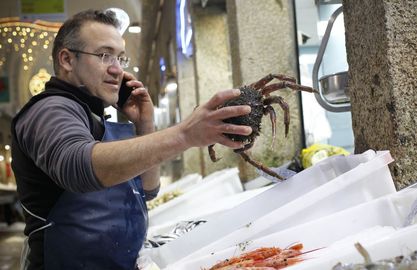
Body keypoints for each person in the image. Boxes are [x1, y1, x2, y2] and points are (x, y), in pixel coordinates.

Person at [11, 9, 252, 270]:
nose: (117, 69)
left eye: (120, 58)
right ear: (67, 60)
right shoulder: (51, 110)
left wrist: (144, 124)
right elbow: (77, 166)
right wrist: (184, 134)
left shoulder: (94, 116)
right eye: (104, 55)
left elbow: (147, 190)